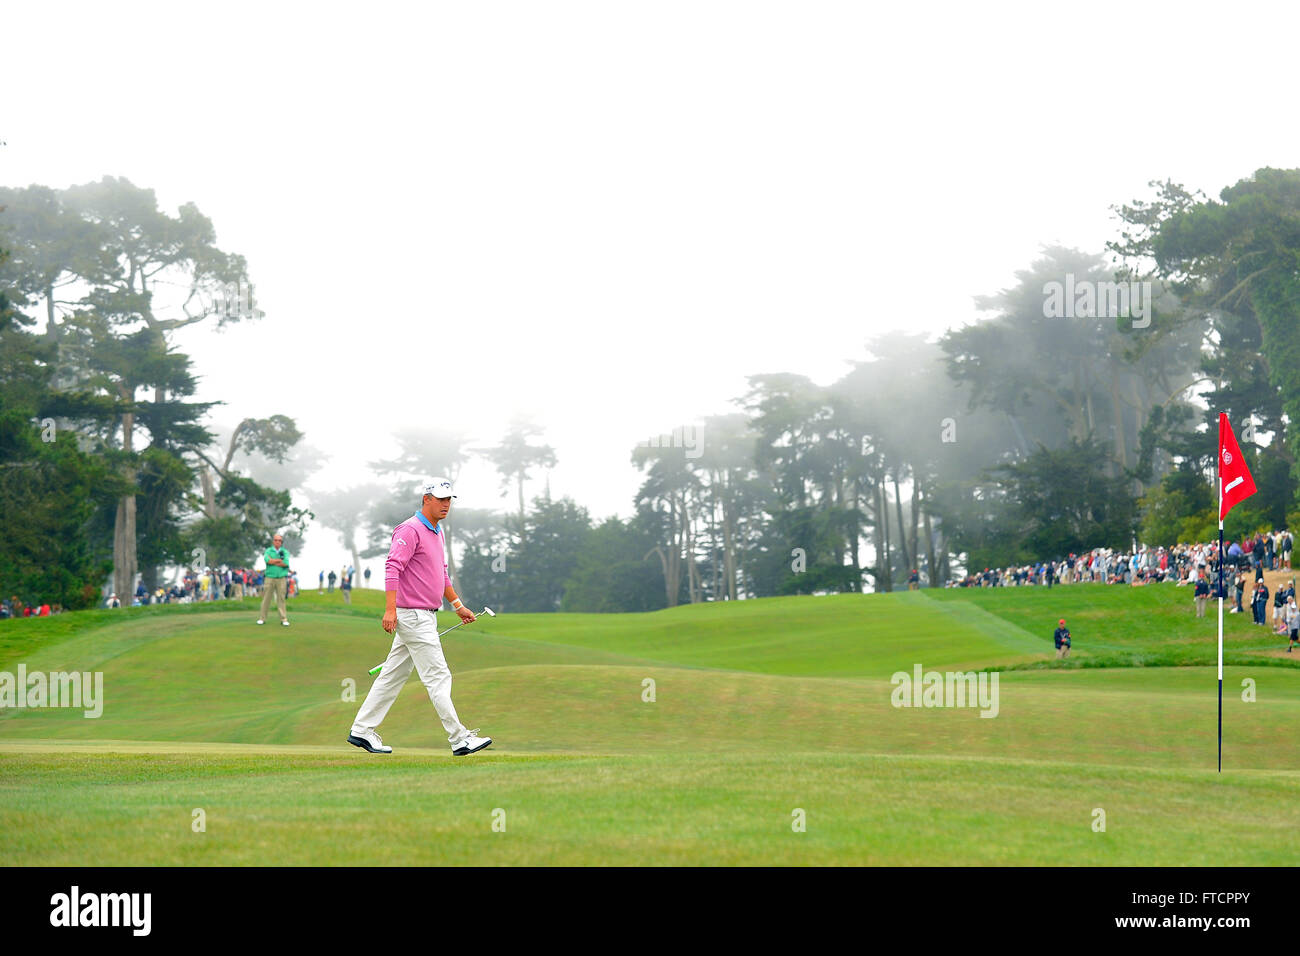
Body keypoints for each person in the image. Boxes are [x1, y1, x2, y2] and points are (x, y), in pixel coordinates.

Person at [347, 477, 492, 757]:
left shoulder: (436, 532)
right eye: (440, 499)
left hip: (425, 615)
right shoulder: (410, 529)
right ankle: (459, 738)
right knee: (438, 676)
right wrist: (390, 609)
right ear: (426, 499)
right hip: (412, 616)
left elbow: (442, 574)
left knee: (392, 675)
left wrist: (458, 605)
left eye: (449, 500)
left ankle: (362, 730)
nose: (446, 505)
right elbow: (392, 568)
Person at [257, 533, 292, 627]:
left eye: (279, 540)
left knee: (281, 599)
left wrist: (273, 561)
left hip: (281, 578)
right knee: (266, 598)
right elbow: (267, 561)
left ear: (281, 542)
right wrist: (278, 560)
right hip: (269, 577)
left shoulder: (285, 552)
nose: (277, 542)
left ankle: (283, 619)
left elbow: (285, 563)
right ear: (273, 541)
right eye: (275, 540)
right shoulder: (268, 550)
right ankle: (262, 618)